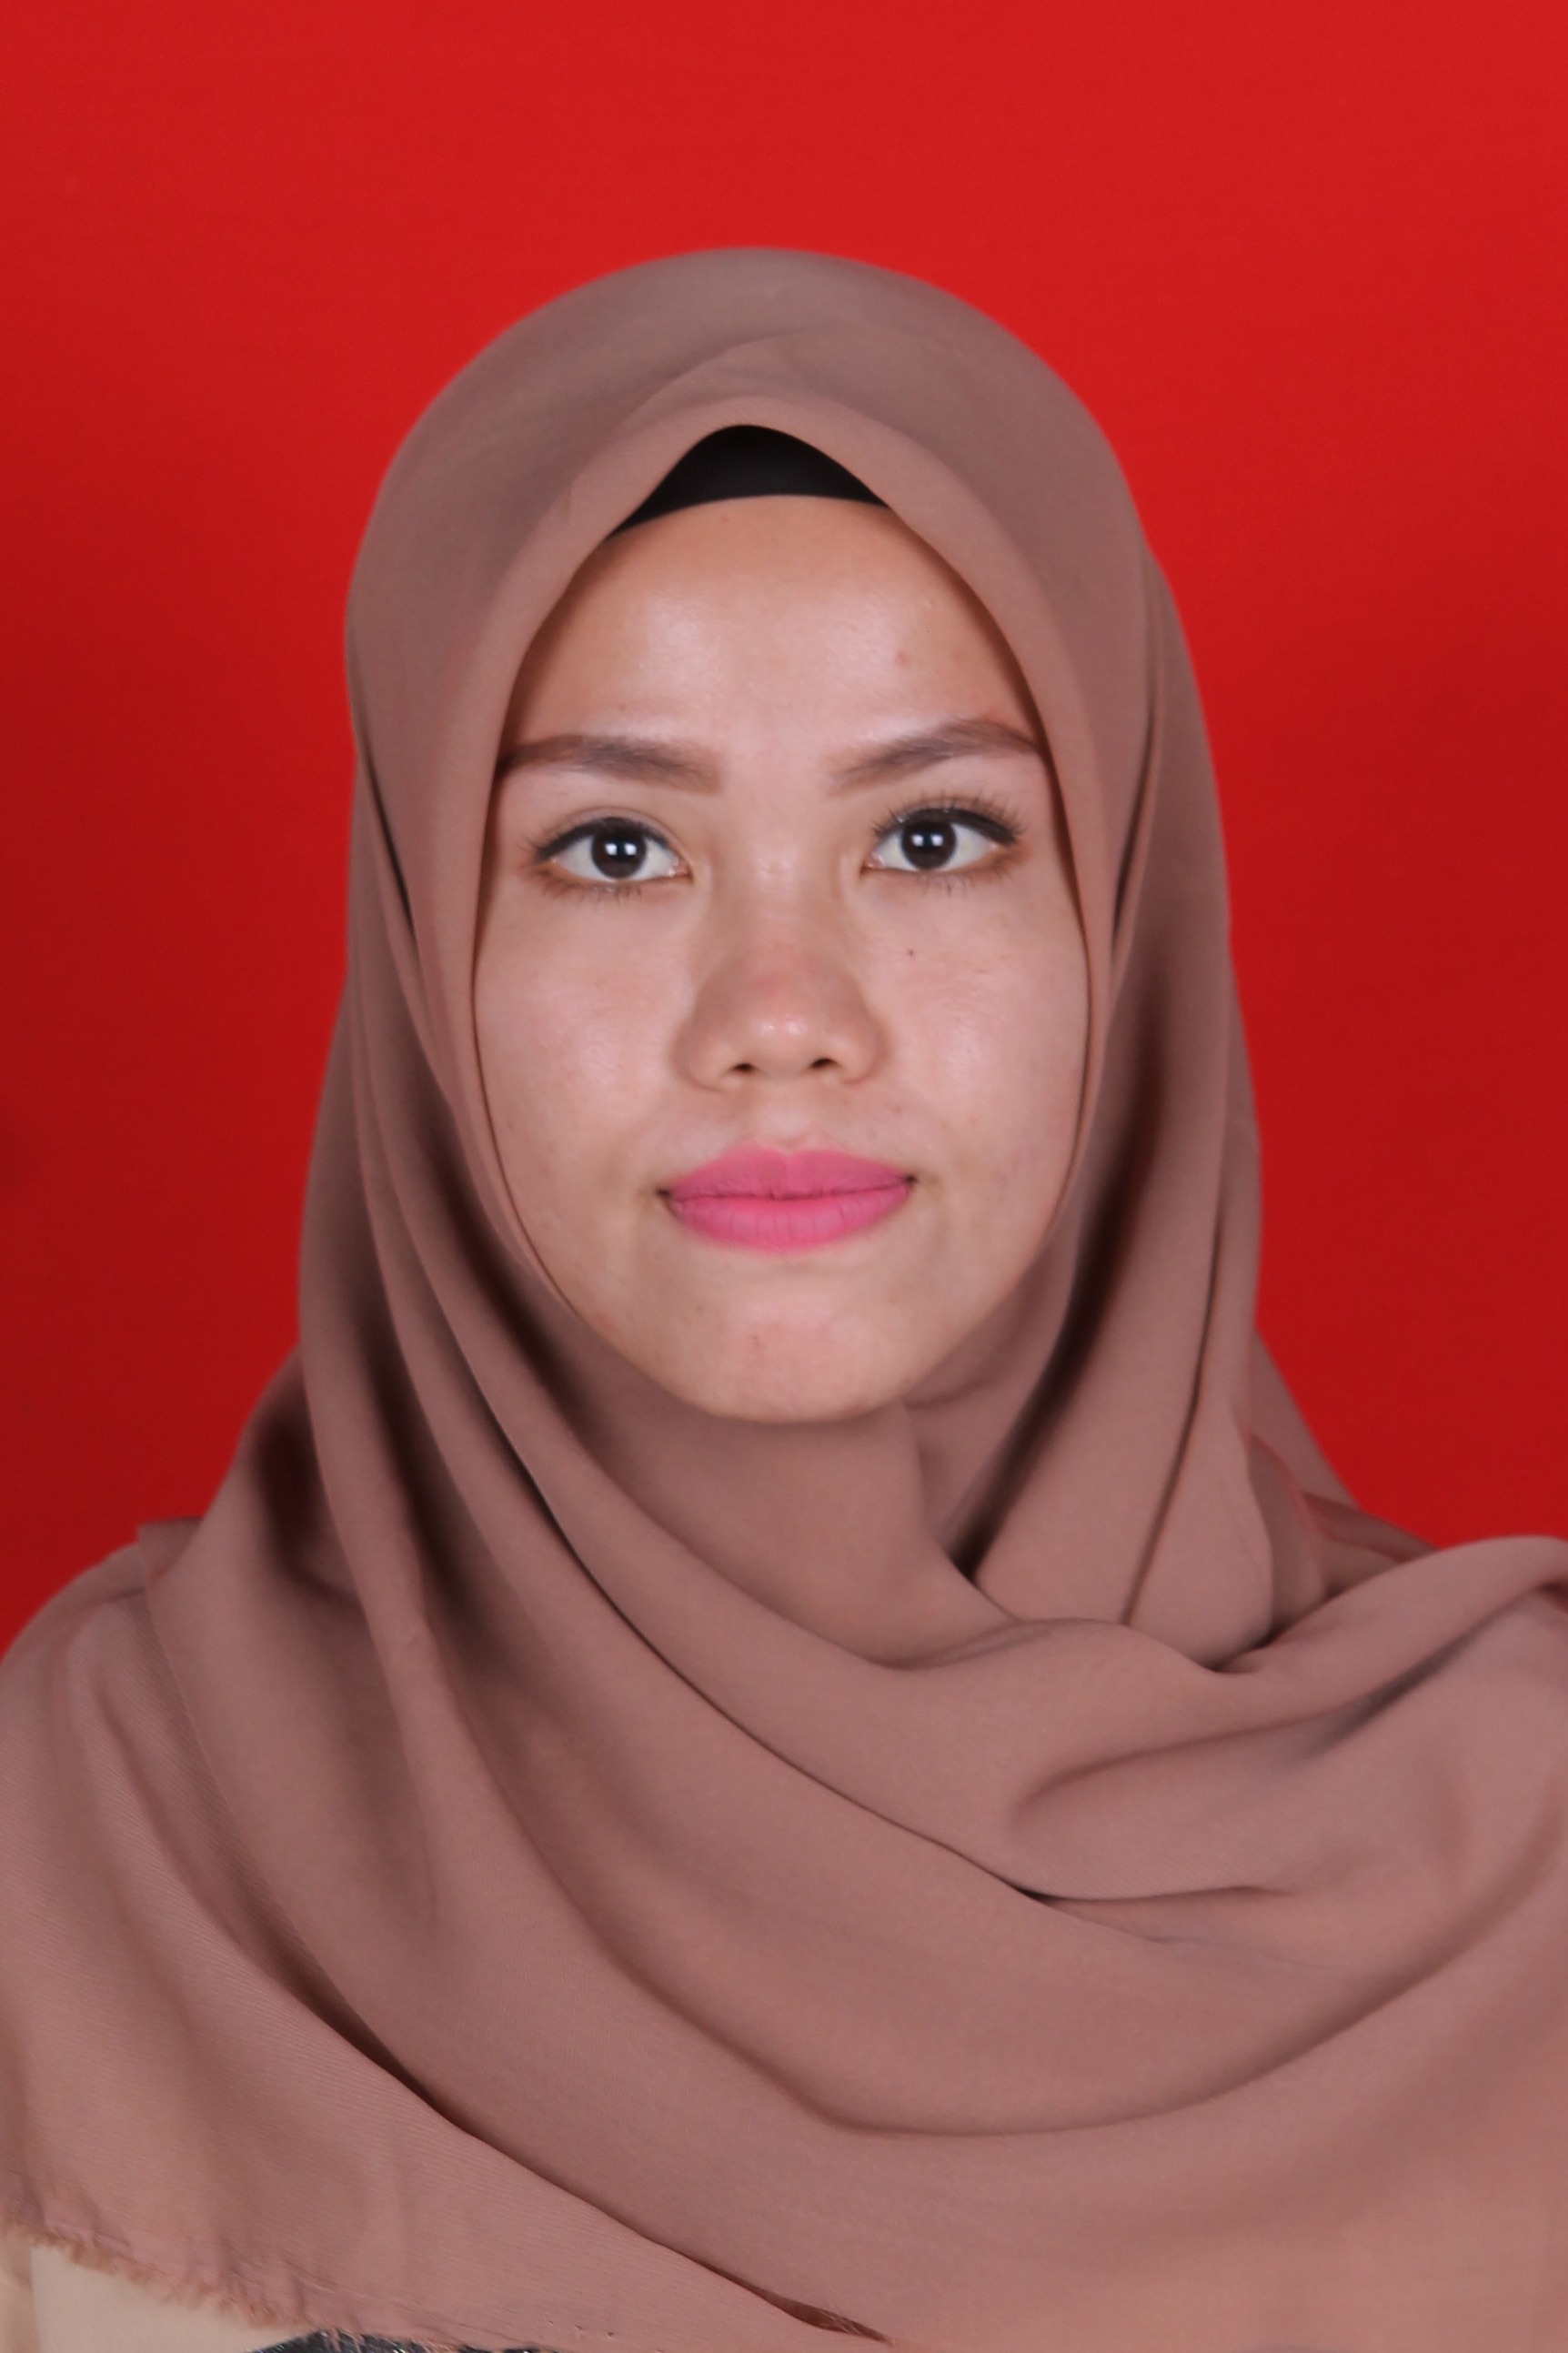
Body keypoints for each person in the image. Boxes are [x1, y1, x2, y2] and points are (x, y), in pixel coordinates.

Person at [2, 249, 1565, 2353]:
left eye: (930, 836)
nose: (779, 1013)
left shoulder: (1535, 1868)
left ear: (1118, 917)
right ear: (425, 951)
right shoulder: (91, 1846)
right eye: (612, 849)